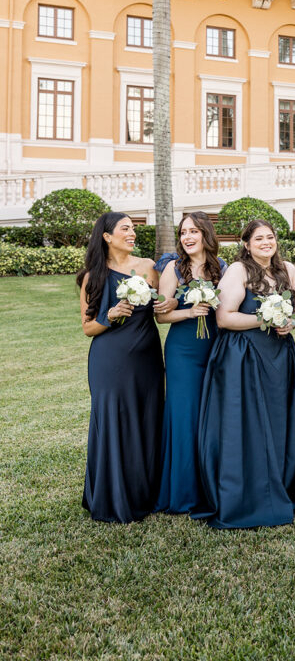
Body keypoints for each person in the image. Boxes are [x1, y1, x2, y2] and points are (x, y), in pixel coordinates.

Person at [195, 219, 295, 529]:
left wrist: (288, 322)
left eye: (270, 237)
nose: (266, 243)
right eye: (259, 239)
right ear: (246, 244)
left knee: (278, 421)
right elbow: (225, 319)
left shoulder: (289, 271)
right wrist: (264, 318)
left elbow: (293, 312)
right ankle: (246, 494)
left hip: (280, 356)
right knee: (249, 424)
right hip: (244, 356)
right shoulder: (239, 271)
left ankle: (279, 486)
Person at [78, 212, 165, 523]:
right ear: (107, 235)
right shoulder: (93, 276)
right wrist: (110, 315)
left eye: (133, 228)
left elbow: (160, 308)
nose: (132, 233)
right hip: (110, 358)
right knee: (115, 419)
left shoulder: (148, 267)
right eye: (125, 228)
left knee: (147, 417)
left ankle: (147, 492)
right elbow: (87, 328)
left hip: (147, 357)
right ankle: (114, 495)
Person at [154, 212, 227, 514]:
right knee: (184, 417)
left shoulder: (222, 269)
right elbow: (160, 314)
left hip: (214, 346)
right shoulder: (173, 267)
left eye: (193, 231)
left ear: (206, 234)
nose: (187, 237)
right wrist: (188, 312)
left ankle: (211, 487)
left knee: (211, 417)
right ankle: (182, 492)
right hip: (183, 349)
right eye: (183, 232)